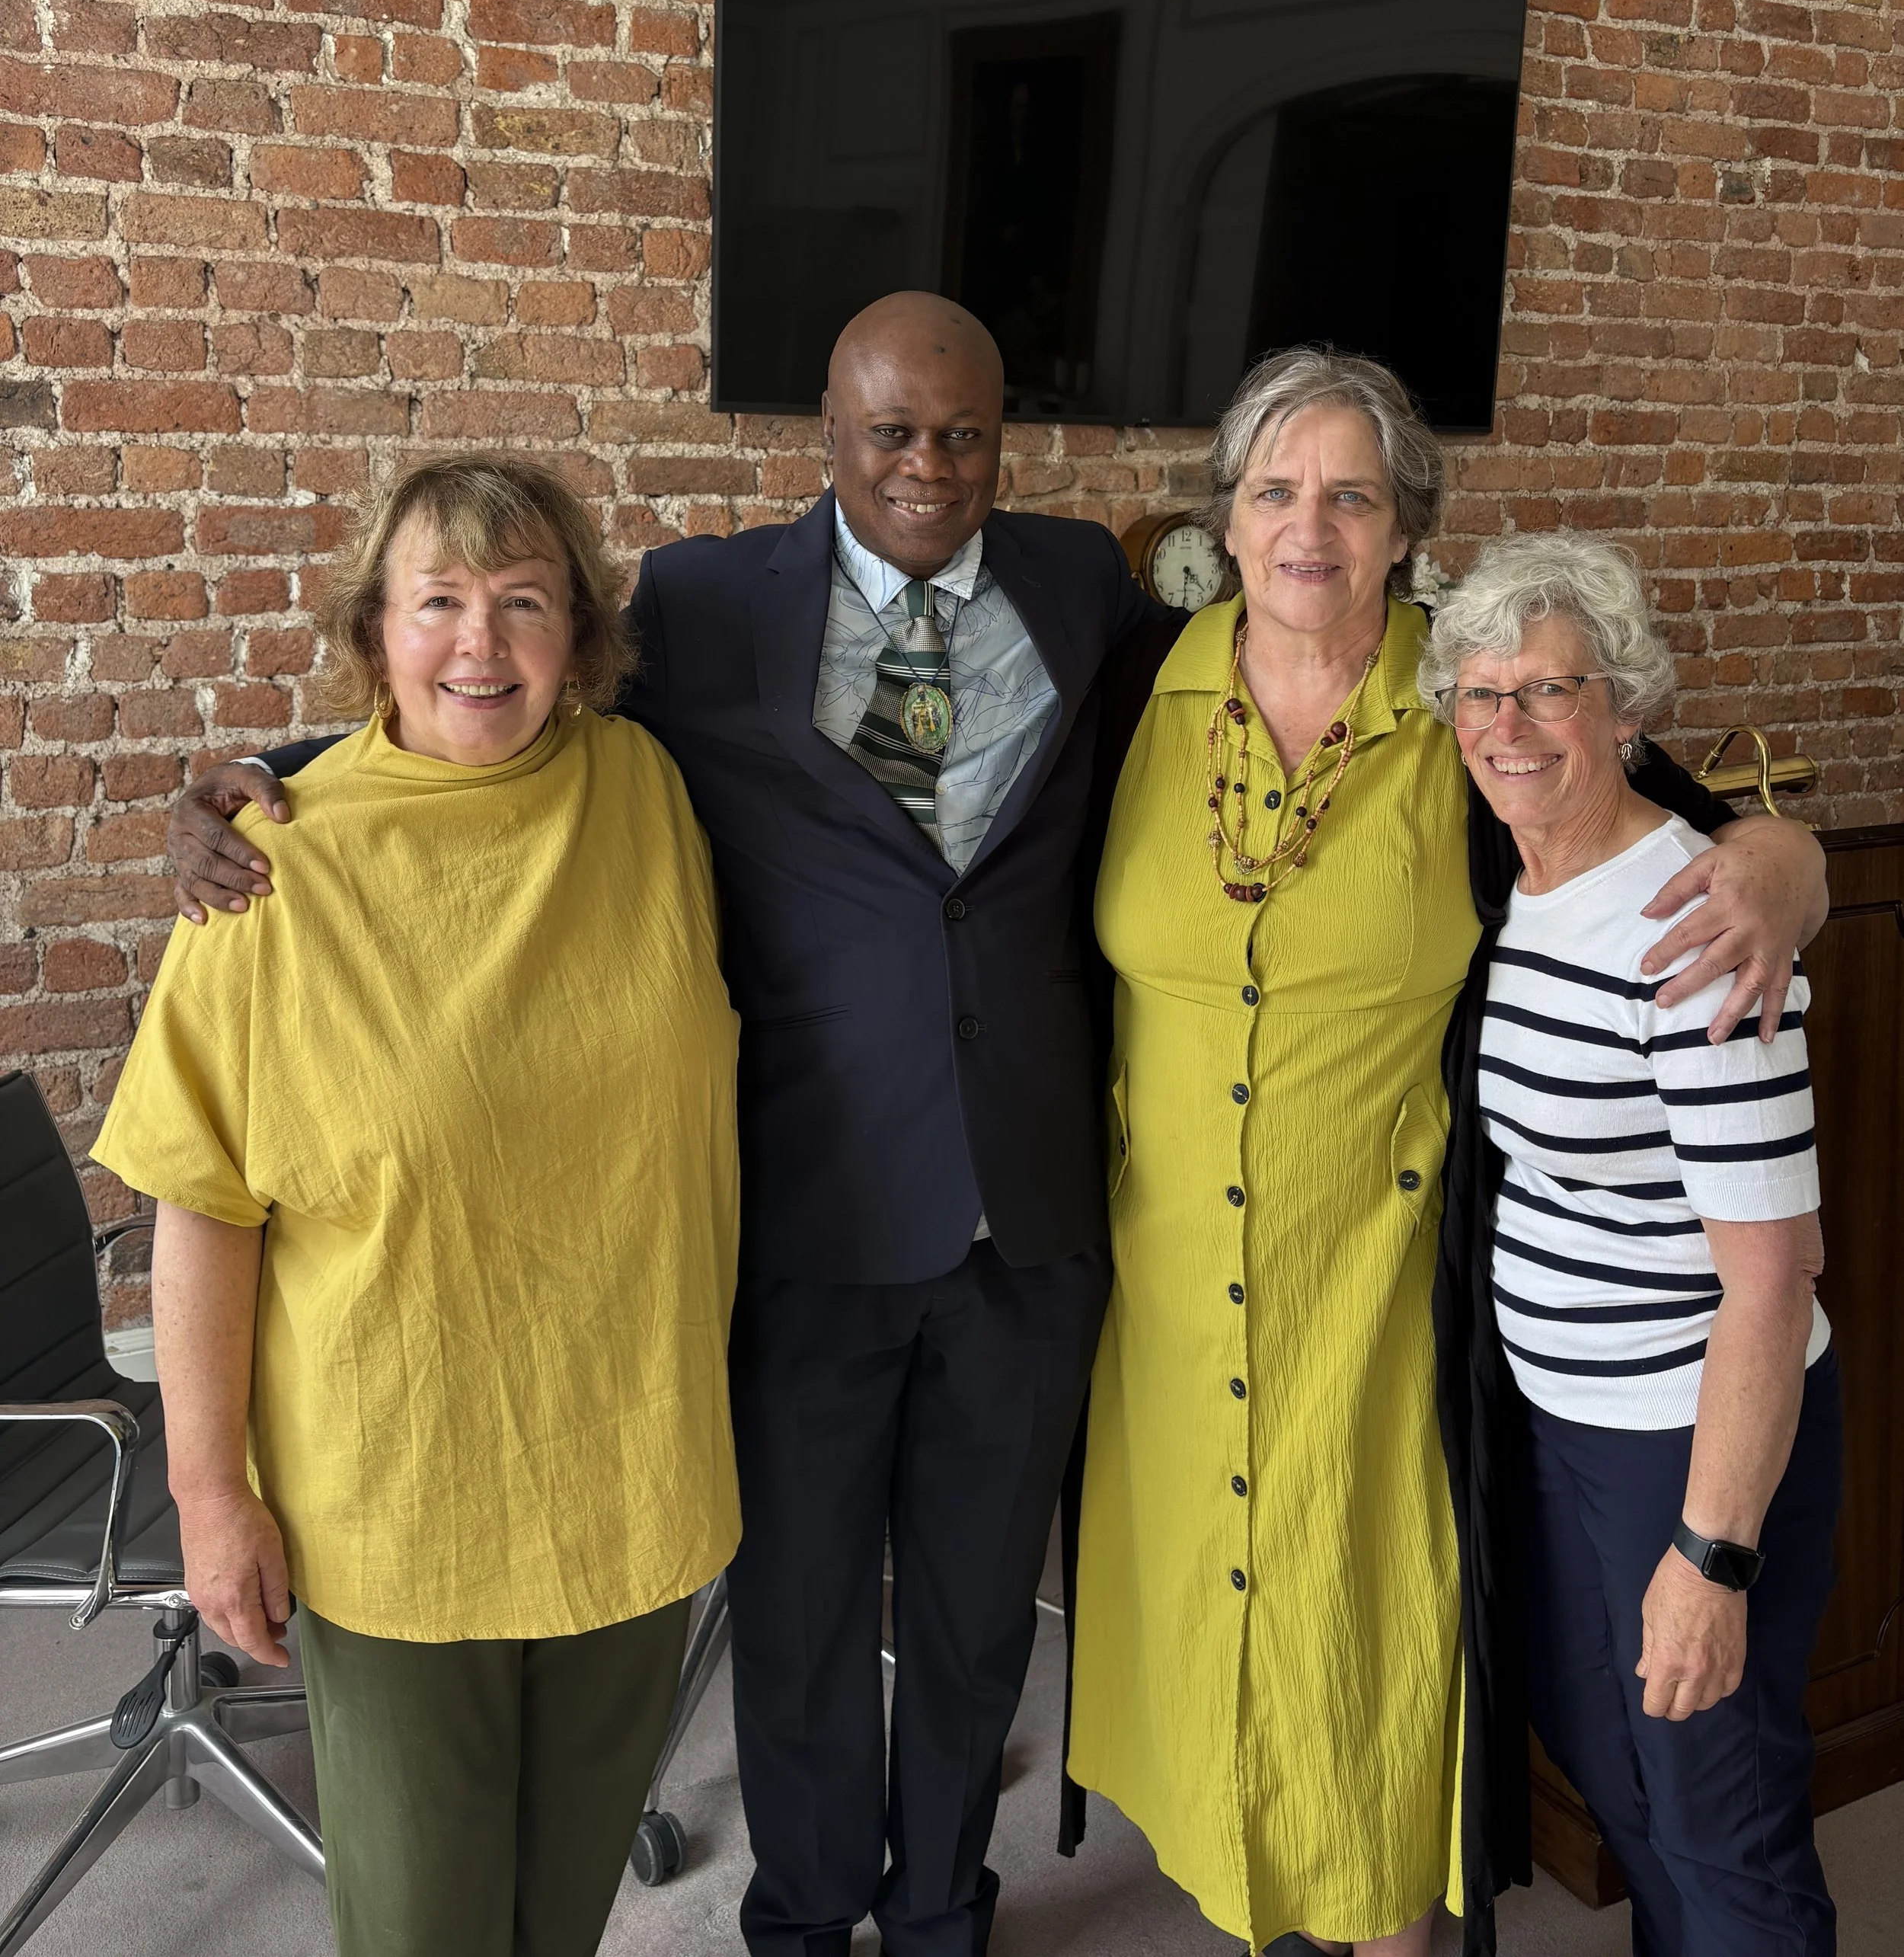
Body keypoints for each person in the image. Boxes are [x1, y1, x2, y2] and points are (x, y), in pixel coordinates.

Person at [164, 295, 1149, 1957]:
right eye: (890, 432)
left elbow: (1255, 692)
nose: (926, 465)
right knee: (800, 1625)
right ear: (825, 435)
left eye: (963, 434)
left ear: (1005, 441)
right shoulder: (709, 600)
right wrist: (262, 780)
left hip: (1022, 1208)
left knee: (981, 1618)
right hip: (807, 1214)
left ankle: (942, 1915)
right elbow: (490, 693)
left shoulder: (1083, 586)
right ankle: (802, 1918)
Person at [1067, 348, 1828, 1957]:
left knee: (1379, 1660)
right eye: (1275, 490)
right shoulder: (1131, 685)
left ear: (1407, 528)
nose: (1309, 528)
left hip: (1397, 1298)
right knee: (1217, 1649)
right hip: (1170, 1292)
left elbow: (1678, 830)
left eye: (1351, 495)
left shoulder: (1472, 696)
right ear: (1225, 516)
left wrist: (1786, 861)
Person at [97, 453, 741, 1957]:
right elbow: (202, 1202)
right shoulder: (264, 867)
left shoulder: (645, 793)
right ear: (373, 632)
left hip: (632, 1464)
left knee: (561, 1908)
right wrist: (209, 1496)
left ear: (579, 634)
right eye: (438, 601)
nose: (480, 643)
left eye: (525, 602)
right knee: (425, 1924)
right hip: (397, 1494)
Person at [1423, 534, 1838, 1957]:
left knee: (1720, 1813)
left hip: (1684, 1431)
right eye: (1481, 695)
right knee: (1610, 1757)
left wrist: (1709, 1557)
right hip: (1557, 1417)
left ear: (1628, 706)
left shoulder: (1695, 929)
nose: (1510, 726)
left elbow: (1773, 1278)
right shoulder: (1517, 878)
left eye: (1551, 690)